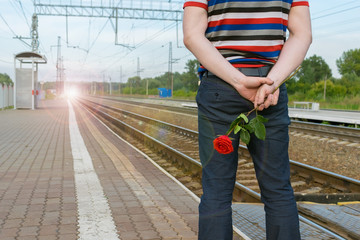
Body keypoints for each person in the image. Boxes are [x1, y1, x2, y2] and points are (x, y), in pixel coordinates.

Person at [182, 0, 312, 239]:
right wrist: (273, 81)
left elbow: (192, 35)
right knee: (278, 190)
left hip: (221, 83)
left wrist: (238, 81)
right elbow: (302, 35)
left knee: (217, 191)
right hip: (269, 87)